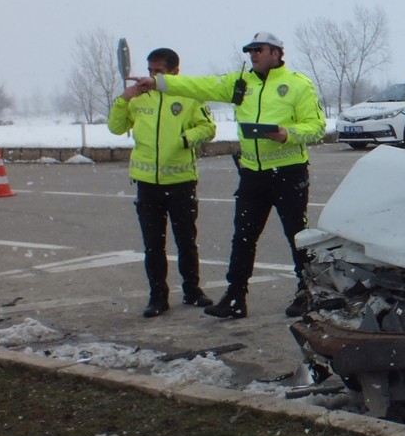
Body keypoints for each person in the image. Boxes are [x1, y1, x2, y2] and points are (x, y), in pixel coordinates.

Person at [133, 32, 325, 319]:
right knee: (243, 237)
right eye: (250, 51)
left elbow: (317, 126)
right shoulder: (240, 83)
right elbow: (199, 85)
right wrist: (159, 82)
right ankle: (235, 297)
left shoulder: (297, 84)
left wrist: (287, 133)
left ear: (276, 53)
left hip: (288, 173)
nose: (253, 55)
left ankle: (308, 291)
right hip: (252, 175)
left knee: (297, 235)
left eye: (258, 50)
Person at [107, 47, 217, 318]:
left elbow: (208, 129)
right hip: (147, 183)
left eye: (159, 71)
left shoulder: (189, 95)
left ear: (175, 72)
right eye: (150, 70)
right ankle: (158, 296)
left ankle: (192, 290)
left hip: (181, 181)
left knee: (186, 240)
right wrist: (123, 99)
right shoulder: (139, 97)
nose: (152, 76)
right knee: (153, 244)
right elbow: (116, 127)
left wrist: (183, 139)